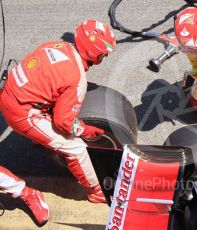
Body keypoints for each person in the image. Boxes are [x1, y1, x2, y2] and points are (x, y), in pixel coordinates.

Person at [0, 19, 116, 209]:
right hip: (21, 113)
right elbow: (64, 122)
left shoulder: (56, 45)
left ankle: (39, 137)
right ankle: (96, 191)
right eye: (103, 54)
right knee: (76, 148)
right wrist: (84, 130)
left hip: (8, 90)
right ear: (94, 53)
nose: (103, 59)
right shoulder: (76, 80)